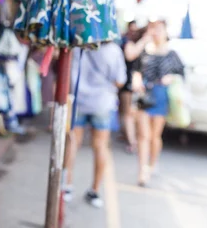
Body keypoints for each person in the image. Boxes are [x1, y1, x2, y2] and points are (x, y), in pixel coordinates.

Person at [63, 42, 126, 208]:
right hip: (102, 103)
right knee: (100, 146)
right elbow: (120, 80)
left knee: (73, 142)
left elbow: (68, 73)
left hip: (79, 101)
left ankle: (67, 186)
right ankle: (95, 190)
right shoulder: (113, 50)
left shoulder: (78, 45)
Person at [130, 20, 184, 186]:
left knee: (154, 136)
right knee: (143, 135)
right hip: (145, 95)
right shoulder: (145, 52)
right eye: (153, 29)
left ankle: (152, 163)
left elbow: (181, 75)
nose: (156, 33)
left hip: (161, 96)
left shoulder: (172, 54)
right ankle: (142, 170)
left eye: (159, 29)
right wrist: (136, 80)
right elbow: (136, 70)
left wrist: (171, 78)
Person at [118, 21, 142, 153]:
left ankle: (131, 138)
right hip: (127, 82)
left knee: (129, 113)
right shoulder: (128, 43)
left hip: (133, 84)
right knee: (127, 112)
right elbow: (130, 54)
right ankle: (131, 140)